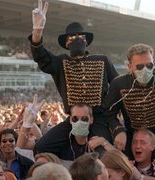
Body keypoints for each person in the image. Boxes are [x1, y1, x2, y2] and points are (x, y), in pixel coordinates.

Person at [28, 0, 119, 144]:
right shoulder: (61, 62)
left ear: (86, 42)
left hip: (99, 118)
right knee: (43, 145)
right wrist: (37, 31)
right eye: (72, 37)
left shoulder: (102, 60)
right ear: (66, 43)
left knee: (103, 149)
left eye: (81, 37)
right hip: (73, 119)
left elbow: (117, 85)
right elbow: (41, 57)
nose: (77, 39)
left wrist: (113, 115)